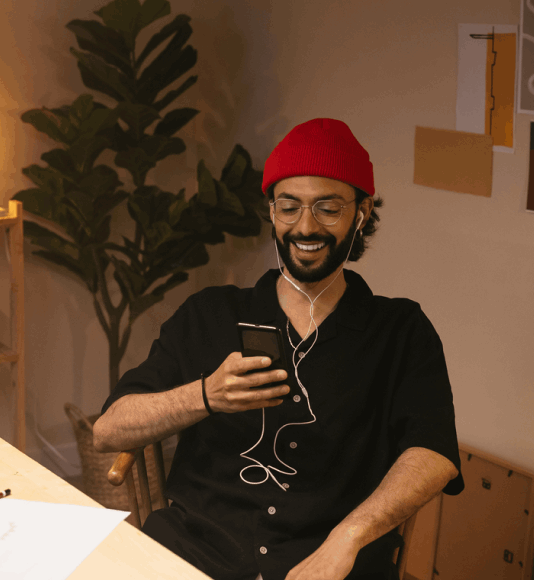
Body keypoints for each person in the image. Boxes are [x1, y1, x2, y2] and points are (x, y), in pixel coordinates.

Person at [93, 118, 463, 580]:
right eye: (289, 207)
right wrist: (205, 396)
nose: (305, 227)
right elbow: (108, 431)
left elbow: (434, 452)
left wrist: (348, 538)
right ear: (271, 211)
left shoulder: (400, 330)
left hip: (325, 564)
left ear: (362, 212)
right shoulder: (209, 314)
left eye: (328, 208)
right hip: (193, 555)